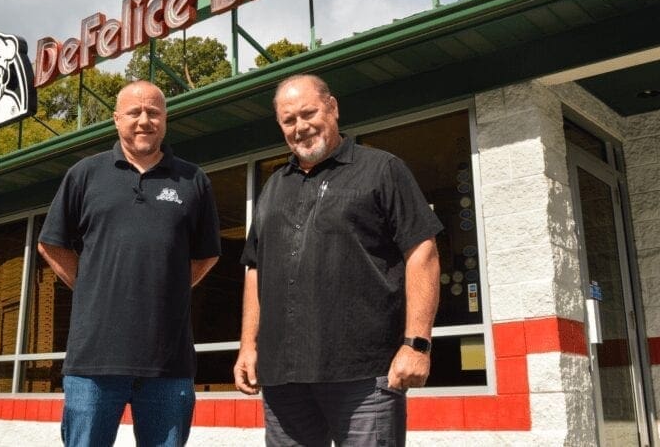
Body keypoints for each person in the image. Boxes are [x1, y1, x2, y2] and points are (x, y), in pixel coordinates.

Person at [234, 74, 442, 446]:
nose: (300, 127)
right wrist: (248, 346)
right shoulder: (272, 187)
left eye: (308, 112)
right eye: (288, 120)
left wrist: (417, 343)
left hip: (364, 376)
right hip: (284, 379)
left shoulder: (382, 169)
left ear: (332, 107)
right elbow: (255, 270)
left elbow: (422, 252)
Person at [38, 80, 221, 447]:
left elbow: (207, 254)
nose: (144, 120)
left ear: (165, 120)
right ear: (116, 119)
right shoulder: (85, 174)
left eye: (153, 112)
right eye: (134, 112)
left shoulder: (192, 180)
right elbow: (52, 243)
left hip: (168, 363)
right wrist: (91, 285)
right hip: (93, 361)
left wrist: (165, 289)